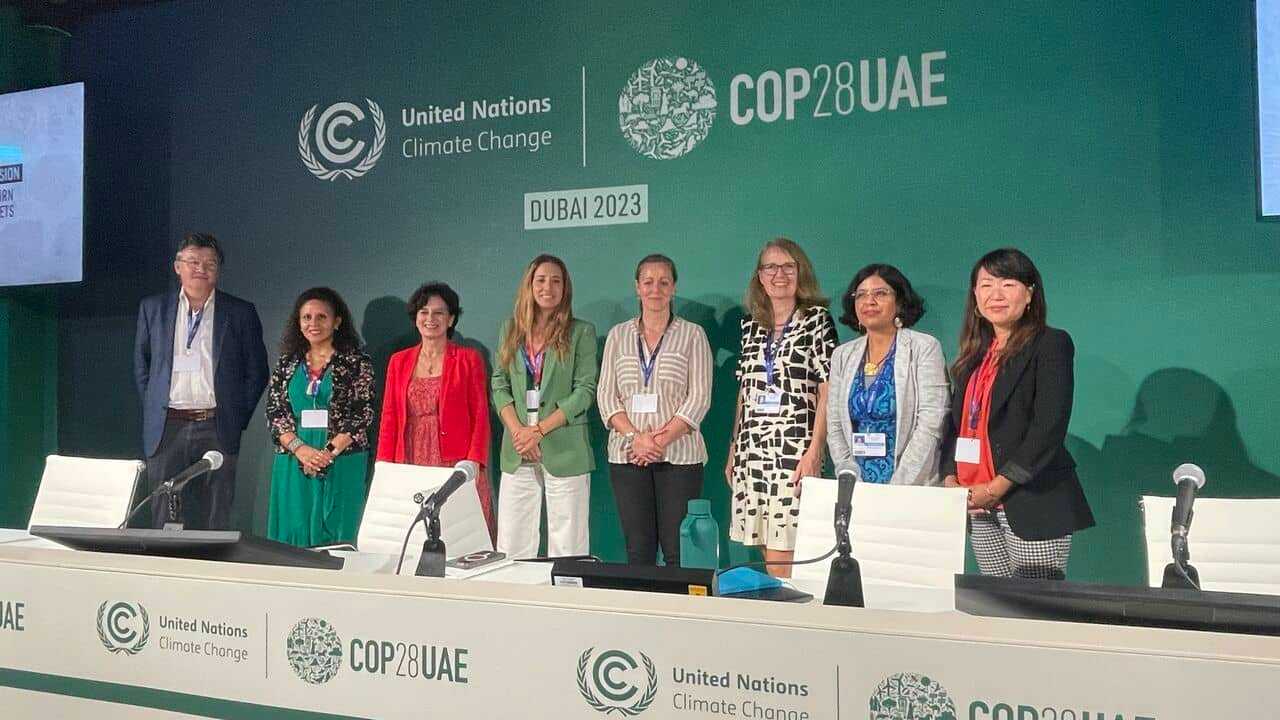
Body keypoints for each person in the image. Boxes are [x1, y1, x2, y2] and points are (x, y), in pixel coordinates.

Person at [940, 247, 1095, 579]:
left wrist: (995, 488)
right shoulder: (973, 356)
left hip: (1030, 499)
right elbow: (956, 427)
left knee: (1035, 612)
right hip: (977, 505)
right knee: (997, 610)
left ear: (1030, 294)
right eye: (986, 285)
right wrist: (950, 477)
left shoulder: (1050, 344)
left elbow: (1047, 427)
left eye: (1008, 284)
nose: (995, 294)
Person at [133, 232, 269, 529]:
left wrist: (234, 416)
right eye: (193, 262)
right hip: (167, 427)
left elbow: (257, 371)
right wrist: (157, 407)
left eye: (209, 263)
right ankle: (166, 571)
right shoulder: (152, 309)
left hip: (217, 425)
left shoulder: (240, 312)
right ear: (177, 267)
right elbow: (143, 367)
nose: (201, 269)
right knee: (164, 513)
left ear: (218, 269)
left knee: (216, 514)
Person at [726, 238, 838, 577]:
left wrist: (815, 449)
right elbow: (745, 389)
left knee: (785, 549)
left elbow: (828, 387)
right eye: (770, 267)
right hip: (753, 449)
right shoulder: (751, 325)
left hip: (793, 451)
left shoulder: (816, 319)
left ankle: (788, 620)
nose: (779, 274)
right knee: (763, 541)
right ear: (759, 277)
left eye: (788, 266)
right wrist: (734, 448)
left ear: (800, 272)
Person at [598, 255, 713, 566]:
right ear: (637, 288)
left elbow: (699, 398)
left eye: (663, 282)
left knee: (678, 551)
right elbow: (606, 397)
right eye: (648, 282)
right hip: (627, 456)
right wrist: (636, 438)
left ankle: (678, 614)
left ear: (673, 288)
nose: (655, 289)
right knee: (638, 549)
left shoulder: (693, 335)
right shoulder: (618, 336)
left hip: (679, 458)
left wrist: (657, 441)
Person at [491, 255, 598, 559]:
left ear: (565, 288)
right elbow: (499, 384)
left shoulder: (581, 332)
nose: (547, 287)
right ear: (529, 285)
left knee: (568, 545)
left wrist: (538, 431)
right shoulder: (510, 330)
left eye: (555, 281)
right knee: (512, 543)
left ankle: (566, 604)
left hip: (564, 448)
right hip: (518, 448)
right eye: (540, 280)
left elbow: (585, 391)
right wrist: (518, 432)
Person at [377, 283, 494, 535]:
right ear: (416, 318)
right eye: (424, 312)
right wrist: (384, 466)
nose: (431, 319)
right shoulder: (398, 361)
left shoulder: (469, 358)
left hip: (456, 461)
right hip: (410, 458)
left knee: (460, 532)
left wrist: (473, 462)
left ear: (451, 319)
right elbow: (389, 417)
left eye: (439, 313)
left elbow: (481, 415)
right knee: (416, 531)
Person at [265, 287, 373, 546]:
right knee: (293, 534)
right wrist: (301, 450)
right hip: (294, 459)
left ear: (337, 322)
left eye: (322, 317)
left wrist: (327, 454)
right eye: (307, 317)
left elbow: (363, 412)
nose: (313, 324)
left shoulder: (357, 363)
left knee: (336, 533)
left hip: (341, 459)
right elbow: (275, 411)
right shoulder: (287, 363)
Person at [827, 264, 948, 485]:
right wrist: (850, 476)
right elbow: (835, 424)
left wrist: (898, 486)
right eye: (861, 295)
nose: (869, 301)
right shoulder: (842, 356)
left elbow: (932, 421)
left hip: (911, 487)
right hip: (857, 486)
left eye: (880, 293)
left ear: (900, 301)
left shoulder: (923, 348)